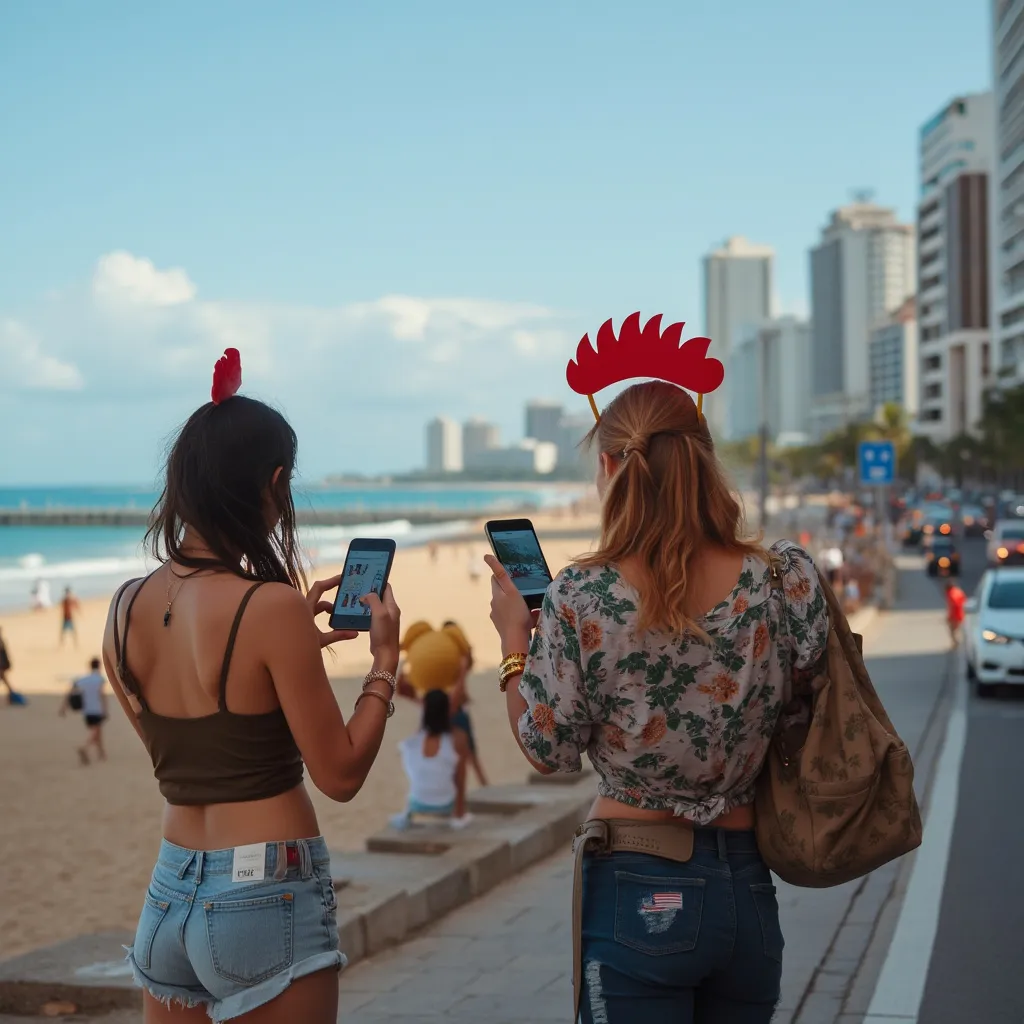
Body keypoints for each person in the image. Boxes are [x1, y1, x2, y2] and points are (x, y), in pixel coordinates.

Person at [485, 380, 829, 1024]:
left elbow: (547, 748)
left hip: (637, 879)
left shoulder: (582, 596)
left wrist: (514, 645)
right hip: (749, 884)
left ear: (612, 468)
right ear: (703, 461)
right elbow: (804, 713)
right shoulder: (787, 578)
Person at [101, 349, 402, 1023]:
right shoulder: (270, 608)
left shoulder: (121, 608)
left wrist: (291, 653)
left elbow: (183, 755)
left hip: (171, 885)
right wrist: (384, 662)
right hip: (265, 891)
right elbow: (342, 773)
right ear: (272, 483)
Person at [391, 689, 472, 830]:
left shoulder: (415, 741)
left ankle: (408, 812)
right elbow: (460, 779)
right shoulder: (457, 739)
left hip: (417, 803)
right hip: (445, 804)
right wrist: (460, 814)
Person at [61, 657, 108, 764]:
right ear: (99, 666)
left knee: (97, 731)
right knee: (95, 731)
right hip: (96, 709)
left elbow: (70, 691)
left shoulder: (84, 679)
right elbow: (102, 695)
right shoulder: (99, 679)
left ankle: (102, 754)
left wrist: (64, 707)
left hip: (87, 710)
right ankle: (84, 748)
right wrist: (105, 709)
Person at [945, 581, 967, 647]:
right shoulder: (959, 591)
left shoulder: (951, 594)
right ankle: (959, 642)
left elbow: (953, 606)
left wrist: (950, 616)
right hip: (961, 613)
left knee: (952, 631)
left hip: (955, 615)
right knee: (958, 629)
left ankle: (956, 643)